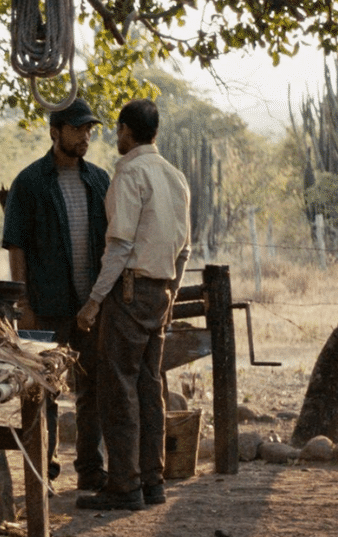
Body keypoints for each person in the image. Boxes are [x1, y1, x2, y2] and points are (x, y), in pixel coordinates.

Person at [76, 99, 191, 511]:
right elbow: (184, 249)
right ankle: (152, 481)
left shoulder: (129, 173)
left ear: (125, 130)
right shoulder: (175, 176)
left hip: (129, 291)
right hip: (160, 291)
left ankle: (125, 485)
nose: (116, 136)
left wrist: (94, 301)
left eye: (118, 130)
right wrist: (171, 294)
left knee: (118, 386)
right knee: (149, 386)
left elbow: (120, 245)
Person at [2, 98, 110, 492]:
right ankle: (41, 474)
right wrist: (24, 306)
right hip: (44, 309)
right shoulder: (29, 182)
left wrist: (100, 303)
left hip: (89, 308)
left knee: (91, 390)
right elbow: (16, 246)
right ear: (55, 132)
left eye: (88, 129)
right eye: (77, 129)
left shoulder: (99, 180)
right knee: (42, 391)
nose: (85, 136)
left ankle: (90, 469)